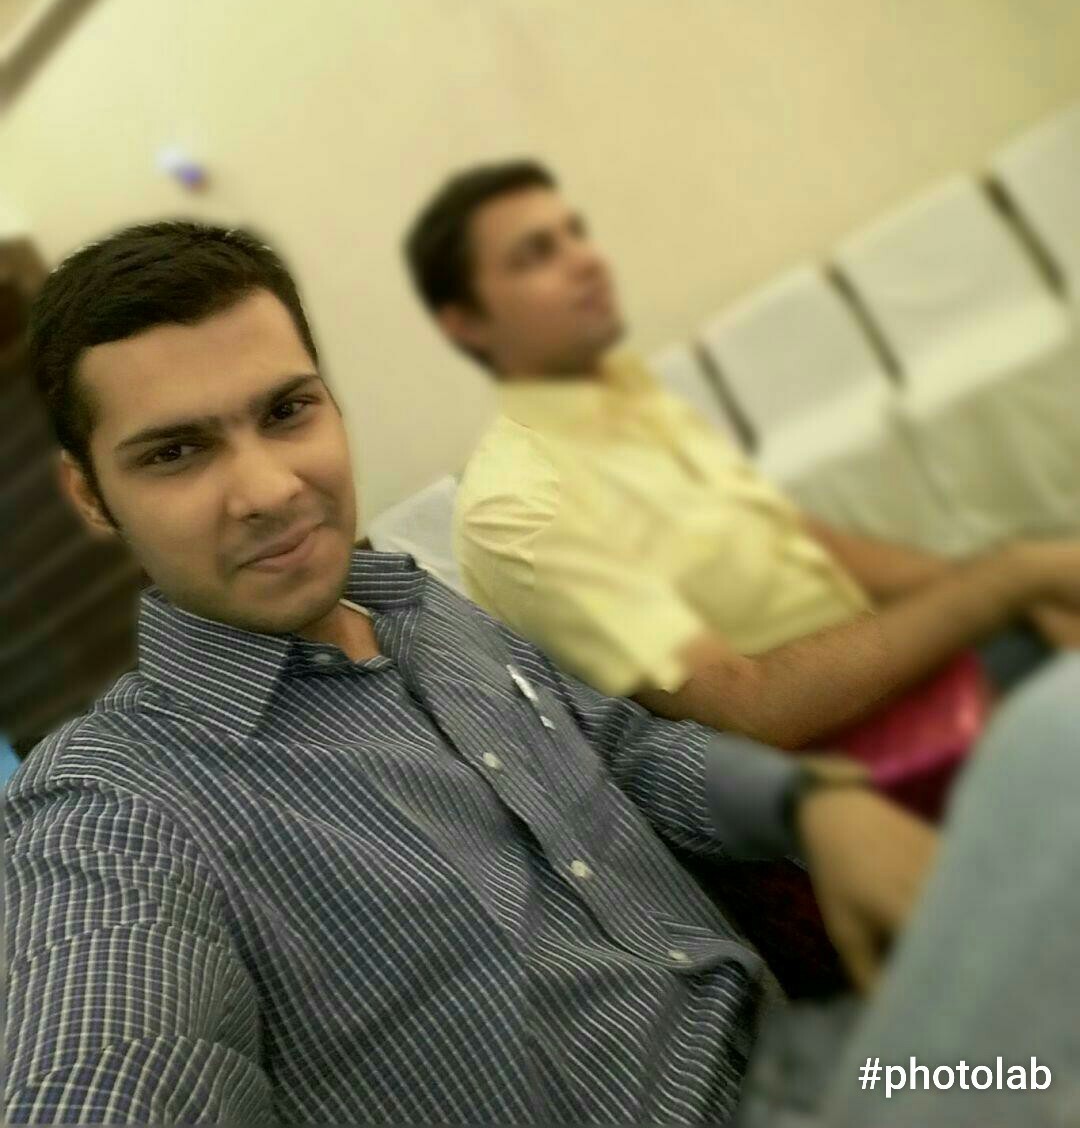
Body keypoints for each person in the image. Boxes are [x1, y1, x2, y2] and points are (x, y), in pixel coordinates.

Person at [4, 219, 1075, 1127]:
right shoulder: (115, 808)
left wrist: (806, 805)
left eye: (288, 411)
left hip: (837, 1070)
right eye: (177, 453)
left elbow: (629, 751)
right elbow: (103, 1063)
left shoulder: (421, 610)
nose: (271, 488)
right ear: (91, 495)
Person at [404, 160, 1080, 750]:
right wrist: (1004, 583)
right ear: (466, 322)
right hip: (849, 766)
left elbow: (804, 541)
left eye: (576, 233)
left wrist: (1011, 597)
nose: (587, 260)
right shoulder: (517, 511)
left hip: (898, 672)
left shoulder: (622, 393)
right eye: (537, 254)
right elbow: (750, 707)